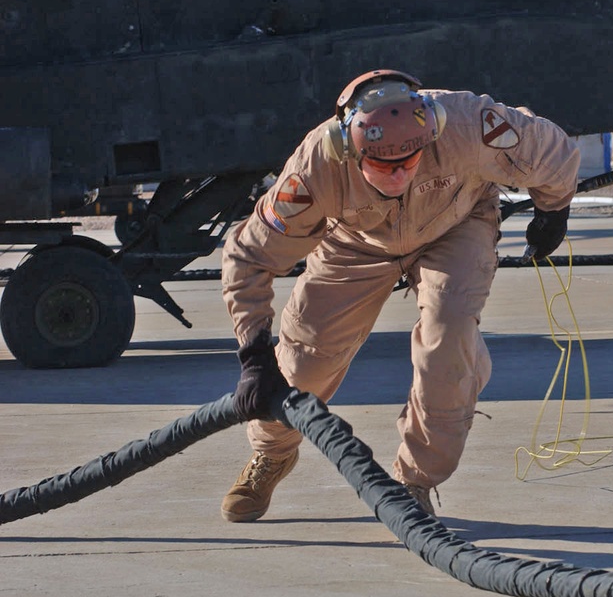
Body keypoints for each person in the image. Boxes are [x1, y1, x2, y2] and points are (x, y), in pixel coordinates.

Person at [219, 69, 581, 522]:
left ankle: (415, 482)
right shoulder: (316, 166)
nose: (398, 175)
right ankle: (272, 452)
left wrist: (553, 212)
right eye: (382, 165)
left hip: (457, 223)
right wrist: (254, 355)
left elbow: (552, 150)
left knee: (448, 338)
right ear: (348, 149)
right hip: (355, 240)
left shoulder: (468, 124)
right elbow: (249, 257)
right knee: (306, 358)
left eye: (409, 162)